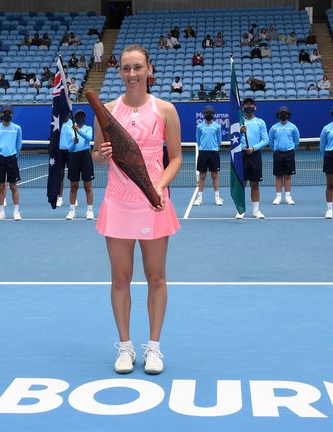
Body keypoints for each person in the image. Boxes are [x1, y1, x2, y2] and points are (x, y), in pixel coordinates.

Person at [91, 45, 181, 376]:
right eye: (126, 68)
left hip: (153, 203)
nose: (132, 74)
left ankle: (154, 347)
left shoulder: (166, 110)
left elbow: (176, 159)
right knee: (120, 278)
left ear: (148, 70)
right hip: (118, 202)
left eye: (138, 67)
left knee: (156, 277)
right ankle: (126, 346)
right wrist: (101, 154)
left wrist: (159, 187)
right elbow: (97, 156)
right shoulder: (107, 111)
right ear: (120, 72)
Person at [239, 97, 268, 219]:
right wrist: (240, 131)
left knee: (255, 184)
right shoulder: (239, 122)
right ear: (243, 108)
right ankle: (240, 210)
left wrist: (254, 148)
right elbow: (232, 140)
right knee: (242, 184)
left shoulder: (260, 122)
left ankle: (256, 211)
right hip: (242, 155)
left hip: (255, 155)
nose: (249, 107)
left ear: (255, 107)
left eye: (251, 105)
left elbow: (265, 140)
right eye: (246, 105)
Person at [0, 105, 23, 221]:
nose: (7, 115)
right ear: (1, 114)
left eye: (9, 113)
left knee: (13, 186)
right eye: (5, 113)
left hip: (12, 159)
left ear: (12, 114)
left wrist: (14, 154)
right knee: (0, 186)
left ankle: (16, 211)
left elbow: (18, 144)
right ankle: (1, 212)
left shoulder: (17, 128)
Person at [64, 111, 95, 220]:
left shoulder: (88, 128)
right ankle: (72, 211)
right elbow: (69, 148)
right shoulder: (69, 130)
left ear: (85, 118)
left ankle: (90, 211)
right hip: (73, 157)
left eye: (82, 116)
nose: (80, 118)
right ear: (75, 118)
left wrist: (78, 131)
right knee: (74, 186)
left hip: (85, 156)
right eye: (78, 117)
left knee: (88, 186)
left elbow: (89, 138)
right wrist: (74, 142)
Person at [193, 105, 223, 206]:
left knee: (214, 175)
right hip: (203, 153)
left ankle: (217, 198)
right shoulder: (200, 126)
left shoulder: (217, 126)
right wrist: (202, 147)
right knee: (202, 176)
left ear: (213, 114)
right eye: (207, 113)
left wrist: (214, 148)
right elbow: (198, 139)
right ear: (204, 114)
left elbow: (219, 141)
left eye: (210, 113)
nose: (208, 114)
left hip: (214, 153)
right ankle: (199, 198)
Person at [269, 106, 299, 205]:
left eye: (285, 113)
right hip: (277, 154)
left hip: (289, 153)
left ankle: (288, 196)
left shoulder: (293, 127)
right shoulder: (274, 127)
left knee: (287, 176)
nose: (283, 115)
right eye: (281, 113)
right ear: (278, 115)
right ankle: (278, 197)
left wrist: (290, 149)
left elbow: (296, 141)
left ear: (288, 115)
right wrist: (276, 149)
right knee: (278, 176)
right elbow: (270, 142)